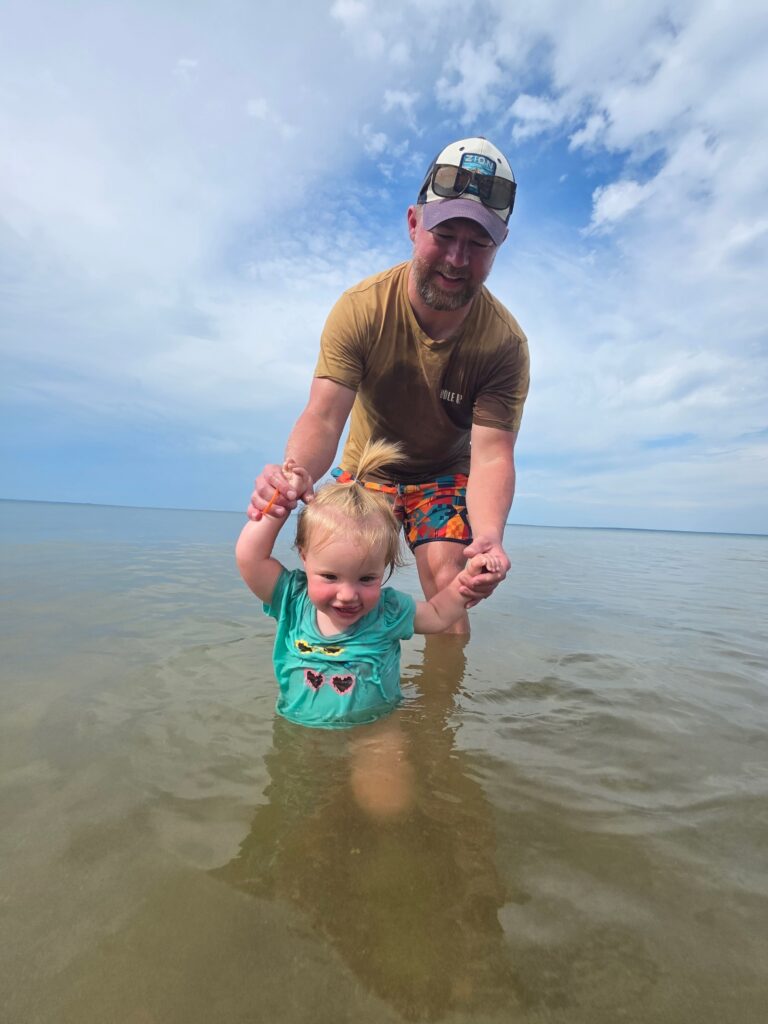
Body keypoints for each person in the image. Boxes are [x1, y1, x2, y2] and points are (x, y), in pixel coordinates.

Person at [248, 136, 529, 633]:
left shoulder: (503, 344)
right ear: (413, 223)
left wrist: (488, 536)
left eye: (478, 242)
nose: (458, 259)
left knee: (450, 594)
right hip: (368, 466)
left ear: (499, 245)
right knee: (337, 591)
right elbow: (324, 415)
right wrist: (293, 475)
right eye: (444, 234)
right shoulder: (362, 308)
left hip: (443, 473)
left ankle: (439, 712)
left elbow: (491, 455)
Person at [235, 439, 501, 728]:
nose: (348, 595)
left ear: (384, 566)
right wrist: (283, 497)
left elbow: (438, 615)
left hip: (377, 728)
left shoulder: (388, 610)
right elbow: (250, 556)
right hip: (297, 725)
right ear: (304, 557)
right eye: (330, 576)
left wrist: (466, 581)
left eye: (366, 579)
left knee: (384, 770)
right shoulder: (291, 598)